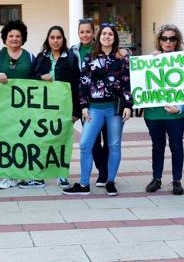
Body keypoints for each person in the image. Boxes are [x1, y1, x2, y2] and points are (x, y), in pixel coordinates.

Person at [67, 24, 132, 196]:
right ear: (100, 36)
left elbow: (127, 81)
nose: (107, 36)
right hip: (94, 109)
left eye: (110, 34)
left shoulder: (122, 57)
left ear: (114, 37)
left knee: (114, 145)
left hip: (114, 108)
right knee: (85, 145)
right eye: (104, 33)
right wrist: (83, 107)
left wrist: (128, 105)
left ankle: (110, 182)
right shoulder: (90, 57)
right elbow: (83, 83)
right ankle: (83, 184)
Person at [0, 20, 37, 189]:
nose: (14, 39)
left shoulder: (30, 57)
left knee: (23, 141)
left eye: (18, 36)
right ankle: (8, 175)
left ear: (23, 39)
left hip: (24, 109)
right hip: (2, 108)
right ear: (5, 38)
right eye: (11, 36)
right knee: (5, 142)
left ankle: (22, 174)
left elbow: (37, 81)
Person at [32, 25, 81, 190]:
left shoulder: (71, 58)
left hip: (64, 109)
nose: (55, 41)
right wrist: (40, 77)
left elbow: (76, 85)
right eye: (52, 37)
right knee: (43, 141)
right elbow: (31, 79)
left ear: (63, 39)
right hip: (44, 108)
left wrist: (76, 111)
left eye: (58, 37)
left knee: (62, 142)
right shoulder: (40, 57)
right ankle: (40, 176)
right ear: (48, 39)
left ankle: (62, 176)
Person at [143, 25, 184, 195]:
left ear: (177, 41)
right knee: (157, 146)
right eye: (164, 39)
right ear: (159, 41)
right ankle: (157, 178)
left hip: (177, 114)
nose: (168, 42)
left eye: (172, 39)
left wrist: (179, 108)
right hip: (154, 114)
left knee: (176, 146)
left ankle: (177, 180)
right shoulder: (151, 60)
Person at [71, 19, 109, 187]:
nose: (85, 35)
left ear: (93, 33)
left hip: (106, 102)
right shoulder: (73, 51)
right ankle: (104, 170)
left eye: (88, 31)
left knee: (108, 140)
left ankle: (105, 174)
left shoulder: (101, 48)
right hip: (85, 103)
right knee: (92, 140)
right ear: (78, 33)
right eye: (82, 32)